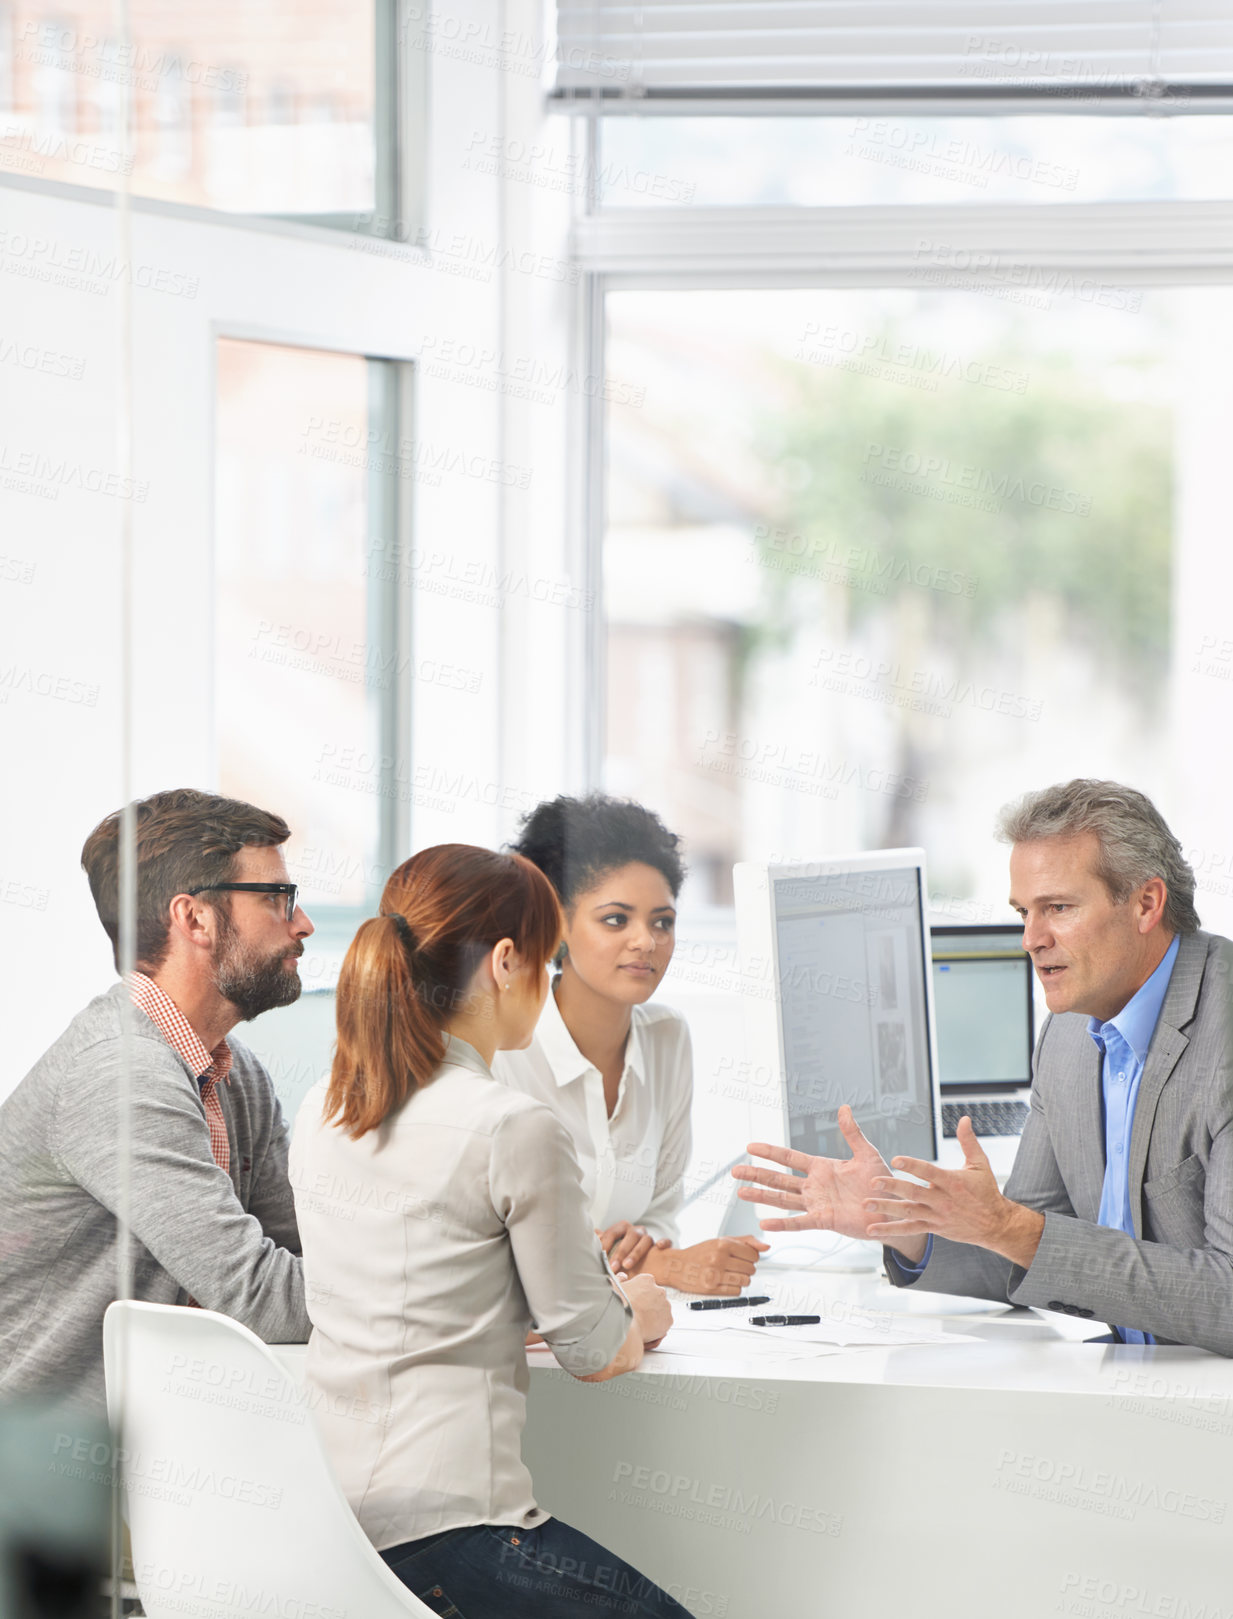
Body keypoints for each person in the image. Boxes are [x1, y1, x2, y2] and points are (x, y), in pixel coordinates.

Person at [290, 844, 692, 1619]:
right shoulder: (510, 1124)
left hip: (329, 1527)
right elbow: (595, 1351)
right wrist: (640, 1307)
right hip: (452, 1533)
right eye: (545, 965)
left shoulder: (323, 1107)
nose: (545, 986)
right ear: (506, 962)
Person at [733, 779, 1233, 1354]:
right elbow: (1024, 1251)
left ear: (1146, 903)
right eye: (1024, 912)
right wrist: (910, 1223)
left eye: (1059, 909)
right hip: (1135, 1381)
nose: (1030, 939)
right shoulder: (1069, 1035)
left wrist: (1011, 1228)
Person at [0, 788, 313, 1411]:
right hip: (42, 1469)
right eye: (278, 898)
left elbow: (304, 1252)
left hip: (165, 1447)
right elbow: (262, 1298)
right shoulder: (119, 1073)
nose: (300, 923)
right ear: (194, 918)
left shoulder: (237, 1073)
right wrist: (455, 1299)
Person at [494, 794, 767, 1296]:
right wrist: (659, 1269)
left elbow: (661, 1214)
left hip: (625, 1329)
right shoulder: (503, 1050)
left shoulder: (667, 1039)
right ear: (557, 923)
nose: (647, 941)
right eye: (616, 919)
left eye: (662, 921)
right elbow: (499, 1248)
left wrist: (645, 1247)